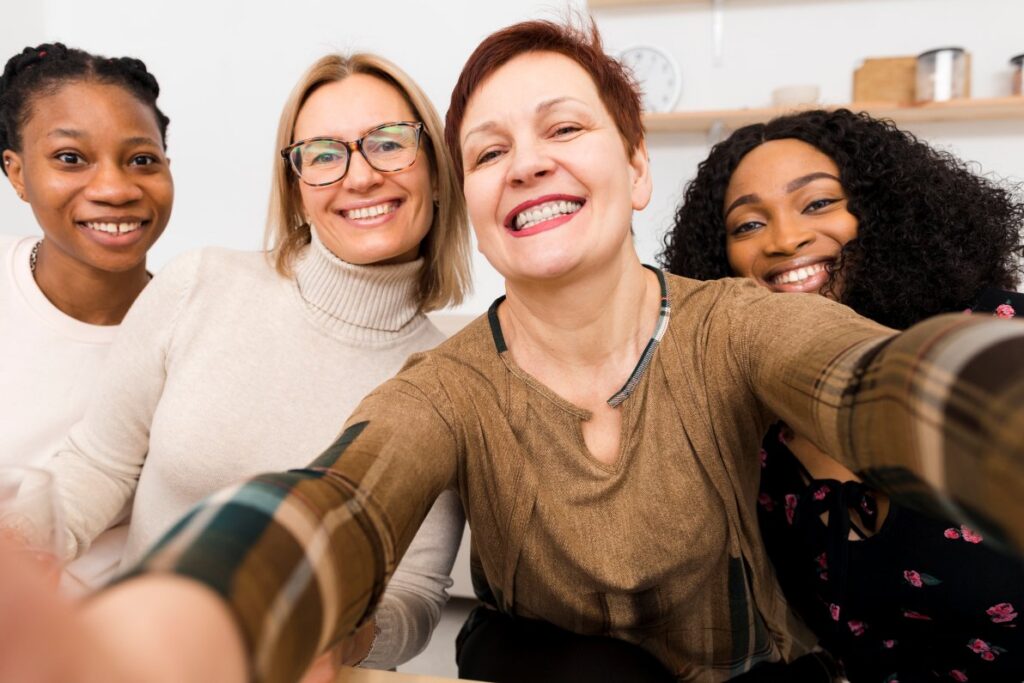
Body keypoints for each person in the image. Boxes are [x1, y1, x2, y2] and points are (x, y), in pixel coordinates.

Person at [2, 19, 1023, 683]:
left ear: (633, 170)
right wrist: (164, 631)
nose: (524, 159)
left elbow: (868, 379)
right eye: (489, 147)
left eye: (562, 128)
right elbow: (335, 504)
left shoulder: (731, 321)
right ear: (479, 206)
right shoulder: (445, 381)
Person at [42, 52, 470, 672]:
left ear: (432, 167)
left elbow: (415, 592)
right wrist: (28, 544)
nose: (361, 176)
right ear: (296, 188)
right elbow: (97, 466)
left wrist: (344, 638)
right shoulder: (199, 283)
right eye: (324, 154)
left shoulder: (450, 377)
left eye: (388, 143)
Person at [662, 108, 1024, 681]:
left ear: (889, 211)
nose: (786, 239)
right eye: (749, 225)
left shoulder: (999, 340)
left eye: (818, 203)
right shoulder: (759, 428)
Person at [0, 42, 173, 590]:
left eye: (142, 159)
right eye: (71, 158)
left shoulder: (194, 330)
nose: (115, 189)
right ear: (17, 173)